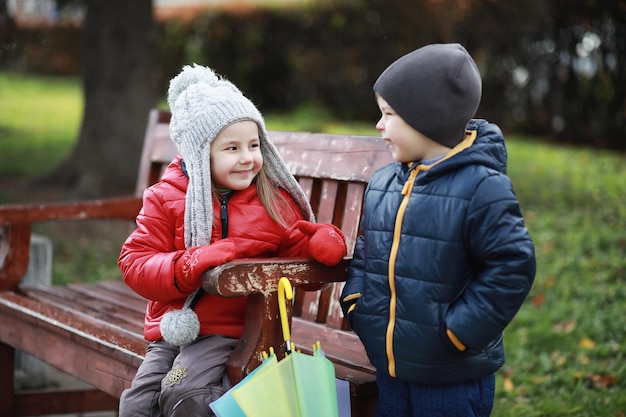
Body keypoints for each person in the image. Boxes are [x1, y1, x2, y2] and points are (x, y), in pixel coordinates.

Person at [117, 64, 347, 417]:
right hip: (172, 331)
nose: (247, 158)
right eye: (232, 148)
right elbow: (135, 262)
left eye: (254, 145)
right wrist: (189, 264)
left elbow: (294, 258)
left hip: (235, 331)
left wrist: (320, 243)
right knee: (136, 405)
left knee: (184, 392)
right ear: (200, 154)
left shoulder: (272, 200)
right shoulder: (166, 197)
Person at [340, 43, 536, 417]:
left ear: (425, 117)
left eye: (389, 114)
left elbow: (512, 266)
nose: (379, 125)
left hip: (452, 376)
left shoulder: (481, 187)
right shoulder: (383, 183)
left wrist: (458, 332)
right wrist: (357, 304)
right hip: (393, 370)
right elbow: (366, 254)